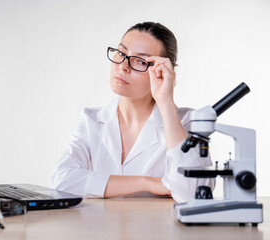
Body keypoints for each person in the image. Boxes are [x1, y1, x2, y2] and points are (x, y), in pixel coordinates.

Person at [50, 22, 215, 203]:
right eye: (121, 53)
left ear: (161, 72)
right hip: (98, 230)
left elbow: (193, 193)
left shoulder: (188, 122)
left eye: (140, 61)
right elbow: (62, 180)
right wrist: (148, 183)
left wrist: (165, 101)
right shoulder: (91, 120)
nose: (123, 66)